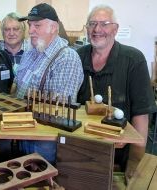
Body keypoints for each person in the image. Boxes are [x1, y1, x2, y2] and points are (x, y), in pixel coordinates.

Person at [77, 5, 157, 181]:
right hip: (80, 150)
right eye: (92, 24)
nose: (97, 29)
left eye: (104, 24)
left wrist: (134, 164)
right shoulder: (77, 56)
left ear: (115, 29)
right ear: (87, 28)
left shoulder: (133, 60)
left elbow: (141, 117)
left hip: (118, 156)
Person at [14, 3, 84, 164]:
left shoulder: (66, 58)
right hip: (22, 132)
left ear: (53, 27)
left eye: (37, 25)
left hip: (45, 141)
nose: (30, 30)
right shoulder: (30, 53)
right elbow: (17, 88)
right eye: (29, 25)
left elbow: (58, 110)